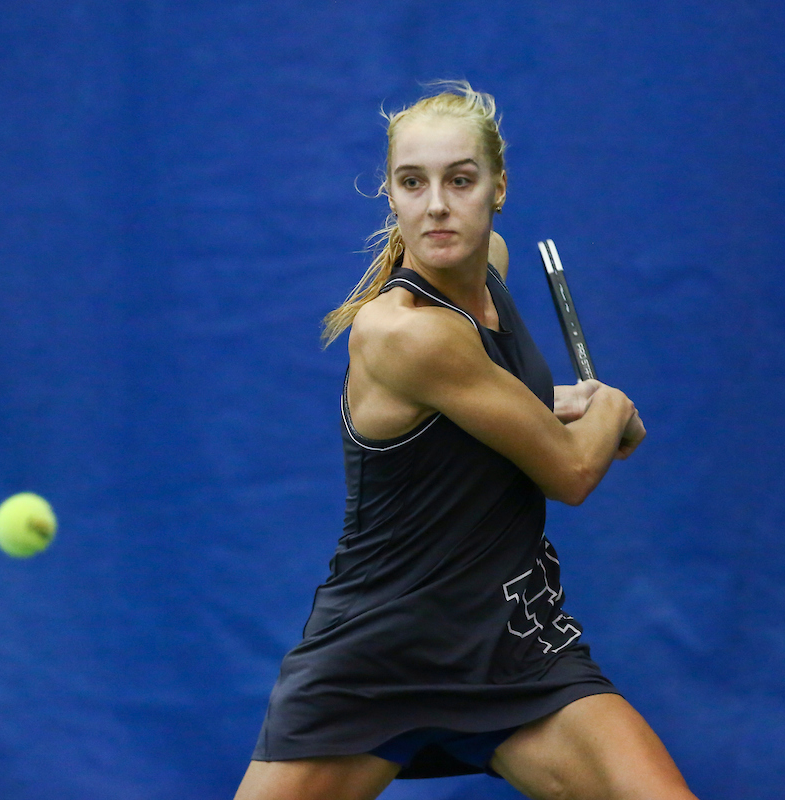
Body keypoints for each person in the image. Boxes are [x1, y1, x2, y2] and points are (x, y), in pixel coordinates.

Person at [234, 82, 697, 800]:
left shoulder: (494, 268)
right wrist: (611, 409)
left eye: (460, 179)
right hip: (378, 655)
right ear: (389, 194)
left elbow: (491, 410)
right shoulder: (406, 332)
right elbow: (571, 471)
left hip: (511, 640)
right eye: (413, 183)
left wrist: (570, 402)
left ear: (498, 187)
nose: (438, 205)